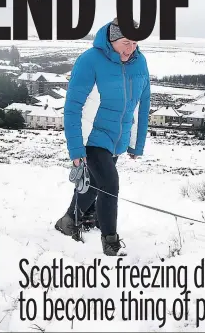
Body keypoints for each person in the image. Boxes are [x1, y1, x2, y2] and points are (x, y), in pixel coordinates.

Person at [55, 17, 151, 256]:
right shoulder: (90, 61)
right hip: (93, 136)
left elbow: (142, 104)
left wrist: (136, 144)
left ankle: (69, 220)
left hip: (117, 138)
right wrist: (76, 149)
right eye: (126, 43)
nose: (131, 49)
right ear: (112, 39)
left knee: (95, 184)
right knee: (109, 183)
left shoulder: (140, 62)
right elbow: (73, 107)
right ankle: (110, 242)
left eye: (135, 43)